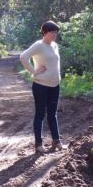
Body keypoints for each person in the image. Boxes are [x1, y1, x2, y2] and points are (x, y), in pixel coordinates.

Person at [19, 20, 63, 154]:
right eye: (52, 32)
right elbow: (23, 57)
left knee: (52, 114)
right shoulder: (38, 45)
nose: (54, 35)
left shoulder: (55, 45)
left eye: (56, 32)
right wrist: (33, 71)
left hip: (55, 85)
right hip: (40, 85)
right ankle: (38, 144)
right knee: (40, 114)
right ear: (44, 33)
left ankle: (57, 141)